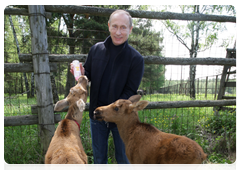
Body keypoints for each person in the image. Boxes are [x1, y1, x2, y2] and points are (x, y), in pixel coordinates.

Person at [71, 9, 144, 170]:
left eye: (123, 27)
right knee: (99, 159)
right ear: (109, 26)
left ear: (130, 29)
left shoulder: (136, 59)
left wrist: (111, 112)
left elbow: (130, 90)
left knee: (125, 160)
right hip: (96, 115)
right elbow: (88, 75)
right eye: (115, 26)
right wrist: (82, 75)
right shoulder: (96, 50)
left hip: (122, 118)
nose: (118, 32)